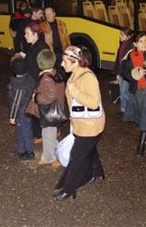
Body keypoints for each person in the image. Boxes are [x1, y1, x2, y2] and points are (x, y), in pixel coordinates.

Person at [53, 46, 105, 201]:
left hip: (90, 126)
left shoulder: (88, 77)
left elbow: (94, 102)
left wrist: (75, 92)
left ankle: (68, 190)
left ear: (75, 61)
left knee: (76, 156)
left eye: (64, 61)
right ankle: (97, 173)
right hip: (83, 124)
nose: (62, 64)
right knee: (89, 149)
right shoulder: (75, 74)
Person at [35, 49, 65, 168]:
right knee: (49, 134)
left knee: (47, 134)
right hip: (57, 109)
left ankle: (49, 157)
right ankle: (52, 154)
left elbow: (50, 95)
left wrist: (37, 97)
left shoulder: (46, 78)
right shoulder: (55, 73)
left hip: (50, 111)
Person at [24, 22, 50, 144]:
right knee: (36, 108)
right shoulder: (34, 45)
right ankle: (41, 131)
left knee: (38, 108)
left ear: (35, 34)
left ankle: (40, 134)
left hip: (38, 83)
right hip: (33, 81)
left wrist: (38, 85)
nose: (25, 36)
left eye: (27, 33)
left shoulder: (41, 47)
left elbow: (45, 67)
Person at [7, 56, 36, 160]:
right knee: (24, 130)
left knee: (23, 132)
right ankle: (22, 150)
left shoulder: (18, 85)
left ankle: (28, 151)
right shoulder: (29, 79)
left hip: (21, 113)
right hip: (27, 110)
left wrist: (12, 117)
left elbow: (16, 103)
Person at [113, 27, 134, 114]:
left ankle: (129, 108)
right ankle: (124, 108)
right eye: (120, 34)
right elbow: (118, 60)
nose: (120, 36)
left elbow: (130, 62)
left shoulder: (130, 47)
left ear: (128, 37)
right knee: (122, 91)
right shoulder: (122, 45)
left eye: (122, 35)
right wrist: (117, 73)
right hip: (121, 72)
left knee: (124, 91)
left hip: (126, 73)